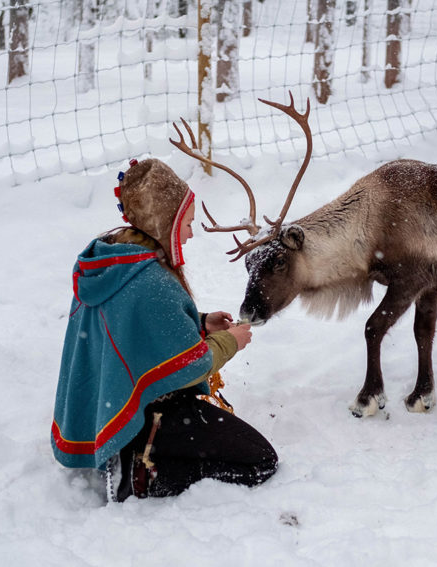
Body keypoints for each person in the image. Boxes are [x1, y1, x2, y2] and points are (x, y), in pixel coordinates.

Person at [51, 158, 278, 502]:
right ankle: (145, 474)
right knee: (261, 461)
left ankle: (133, 449)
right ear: (165, 222)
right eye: (186, 223)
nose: (189, 232)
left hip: (111, 404)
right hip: (151, 414)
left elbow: (134, 326)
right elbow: (192, 366)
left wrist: (199, 323)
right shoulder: (151, 281)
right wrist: (230, 341)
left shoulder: (112, 260)